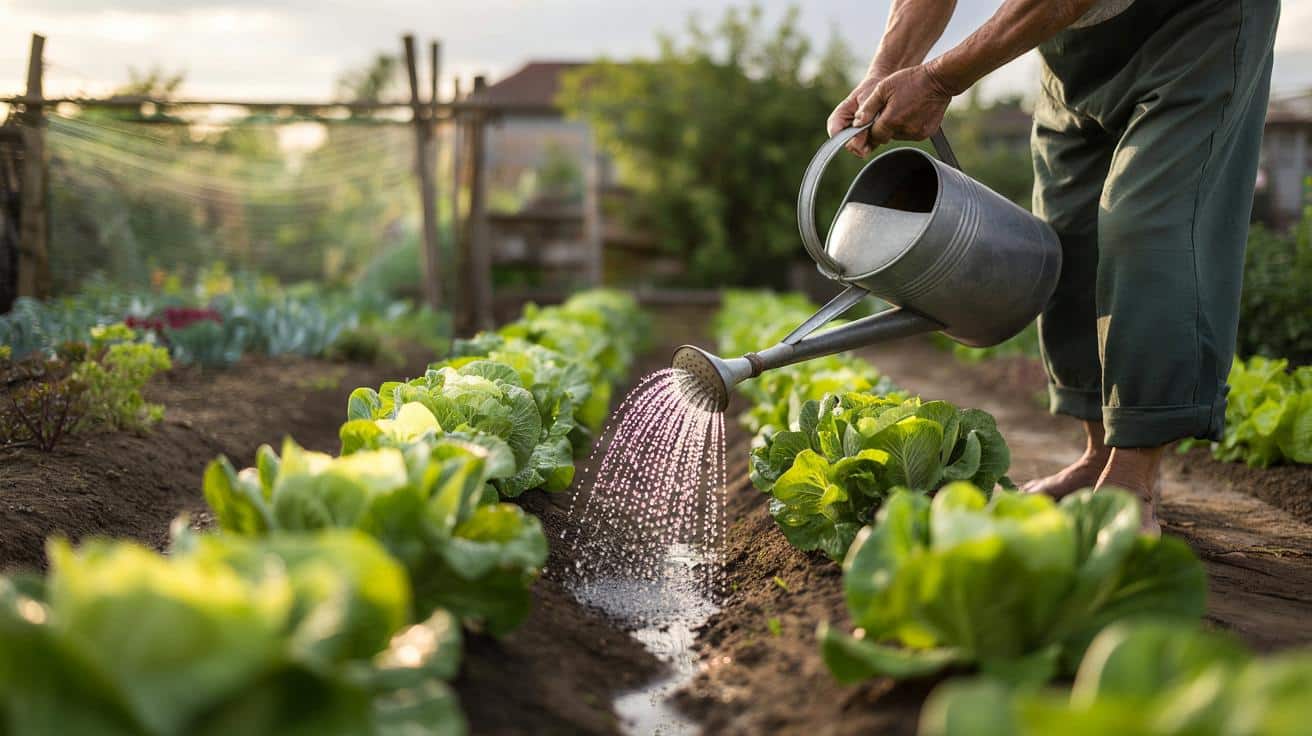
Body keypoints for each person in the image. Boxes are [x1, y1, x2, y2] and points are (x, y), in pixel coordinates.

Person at [829, 0, 1280, 534]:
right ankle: (1096, 456)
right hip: (1073, 45)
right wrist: (882, 73)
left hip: (1196, 22)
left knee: (1147, 222)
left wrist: (937, 80)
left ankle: (1132, 476)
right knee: (1068, 231)